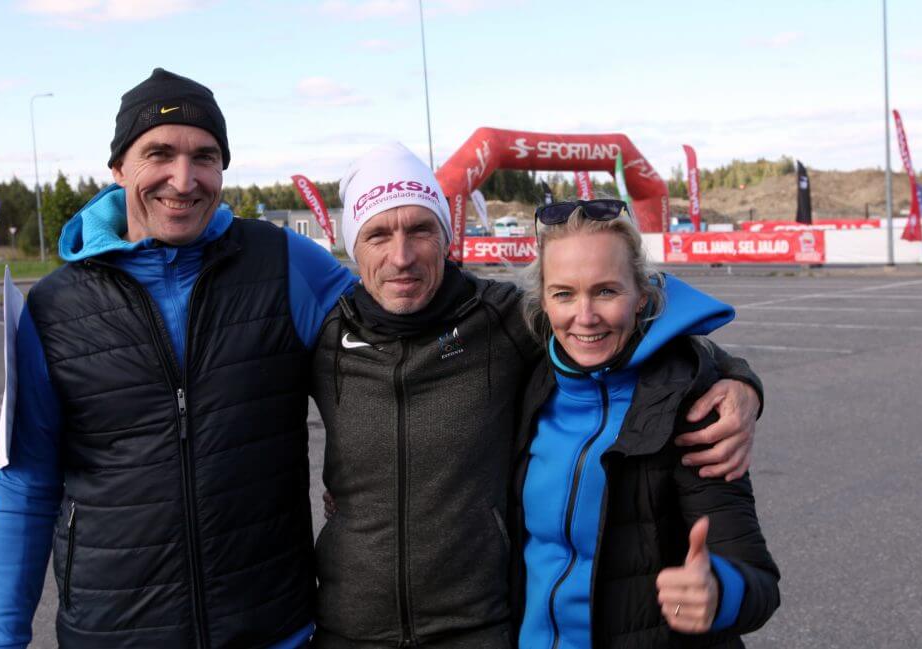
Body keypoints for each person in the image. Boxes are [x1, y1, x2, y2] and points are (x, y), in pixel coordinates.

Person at [309, 144, 765, 648]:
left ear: (445, 236)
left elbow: (634, 331)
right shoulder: (322, 335)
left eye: (420, 229)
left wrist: (739, 381)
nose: (401, 256)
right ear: (352, 245)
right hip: (350, 629)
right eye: (377, 234)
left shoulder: (501, 318)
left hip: (477, 630)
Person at [0, 69, 356, 648]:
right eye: (159, 153)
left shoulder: (285, 264)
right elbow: (23, 491)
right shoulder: (52, 309)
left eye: (204, 156)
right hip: (113, 635)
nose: (184, 179)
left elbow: (397, 341)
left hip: (272, 630)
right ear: (119, 168)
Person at [511, 200, 779, 648]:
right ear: (543, 301)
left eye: (606, 291)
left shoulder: (692, 406)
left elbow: (758, 580)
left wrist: (719, 591)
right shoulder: (524, 382)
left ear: (642, 297)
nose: (585, 316)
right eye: (563, 294)